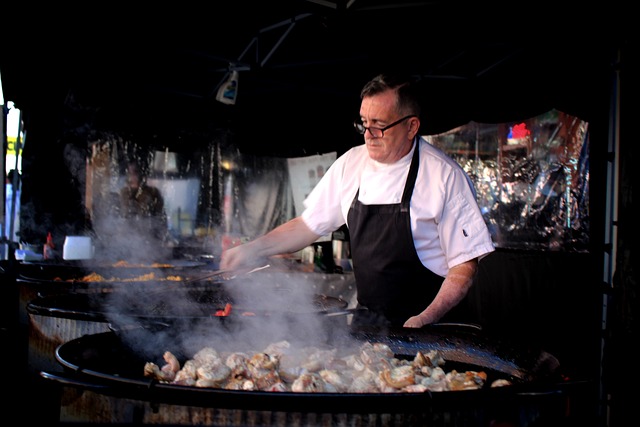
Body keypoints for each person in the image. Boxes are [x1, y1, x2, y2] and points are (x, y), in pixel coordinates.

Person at [220, 73, 495, 328]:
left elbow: (464, 265)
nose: (368, 135)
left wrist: (425, 318)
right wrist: (253, 249)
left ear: (412, 126)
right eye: (364, 123)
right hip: (370, 325)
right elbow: (307, 225)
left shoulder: (444, 176)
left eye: (380, 126)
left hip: (432, 326)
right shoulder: (351, 164)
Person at [119, 161, 168, 244]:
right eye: (129, 173)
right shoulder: (123, 193)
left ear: (141, 174)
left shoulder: (153, 193)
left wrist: (159, 239)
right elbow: (119, 217)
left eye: (135, 172)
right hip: (126, 240)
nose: (132, 176)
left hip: (149, 240)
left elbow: (161, 218)